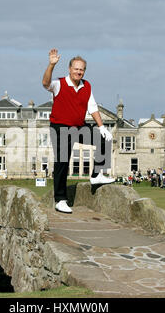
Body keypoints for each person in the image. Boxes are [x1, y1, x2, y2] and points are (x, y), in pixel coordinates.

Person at [42, 48, 114, 213]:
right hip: (60, 127)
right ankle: (60, 200)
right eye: (76, 68)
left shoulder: (87, 85)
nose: (78, 72)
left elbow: (93, 107)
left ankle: (96, 175)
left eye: (81, 69)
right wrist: (51, 65)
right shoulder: (59, 83)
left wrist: (102, 127)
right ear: (70, 69)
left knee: (104, 139)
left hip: (78, 126)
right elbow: (46, 84)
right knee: (62, 162)